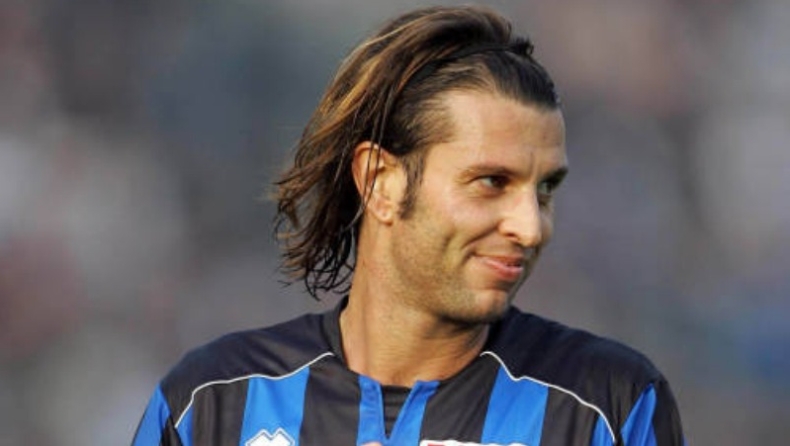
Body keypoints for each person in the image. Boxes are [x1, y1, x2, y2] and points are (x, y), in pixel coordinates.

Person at [133, 6, 685, 446]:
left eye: (545, 190)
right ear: (380, 183)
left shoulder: (610, 406)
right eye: (491, 182)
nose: (531, 227)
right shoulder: (210, 403)